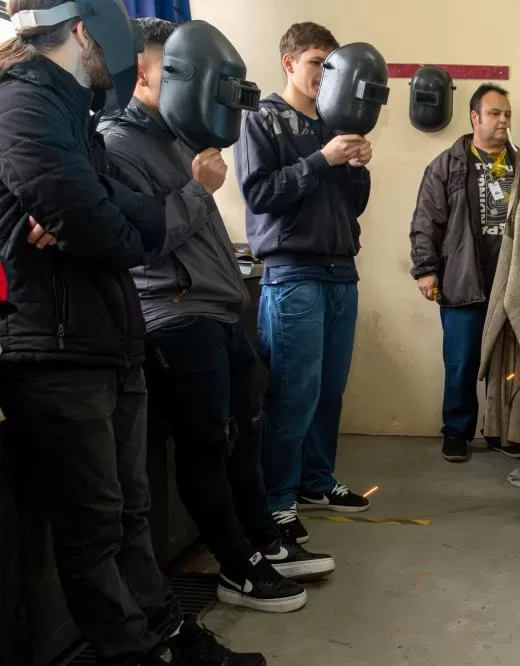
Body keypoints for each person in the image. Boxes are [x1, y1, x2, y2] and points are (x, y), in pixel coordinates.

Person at [0, 1, 261, 664]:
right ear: (86, 29)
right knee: (92, 532)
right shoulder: (23, 107)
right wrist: (100, 223)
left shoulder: (73, 114)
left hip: (108, 339)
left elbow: (123, 217)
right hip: (55, 350)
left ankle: (171, 635)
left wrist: (97, 221)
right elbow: (111, 229)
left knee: (130, 518)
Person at [99, 17, 335, 614]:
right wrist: (200, 190)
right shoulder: (116, 143)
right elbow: (141, 243)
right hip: (175, 315)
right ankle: (237, 567)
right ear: (145, 72)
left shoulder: (183, 137)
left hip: (217, 307)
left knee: (244, 437)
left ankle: (261, 541)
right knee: (207, 444)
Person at [235, 22, 373, 545]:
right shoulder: (262, 119)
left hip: (341, 269)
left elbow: (351, 204)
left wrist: (358, 166)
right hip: (292, 272)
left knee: (329, 391)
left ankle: (316, 480)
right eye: (317, 62)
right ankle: (277, 499)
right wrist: (322, 160)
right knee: (294, 394)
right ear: (289, 62)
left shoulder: (334, 123)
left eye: (330, 64)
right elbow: (260, 194)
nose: (324, 73)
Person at [409, 83, 519, 463]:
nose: (503, 120)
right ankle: (456, 433)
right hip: (462, 280)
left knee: (510, 366)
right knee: (460, 362)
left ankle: (503, 432)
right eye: (495, 113)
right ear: (475, 117)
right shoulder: (448, 164)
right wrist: (426, 270)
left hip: (511, 284)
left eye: (507, 113)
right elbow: (426, 221)